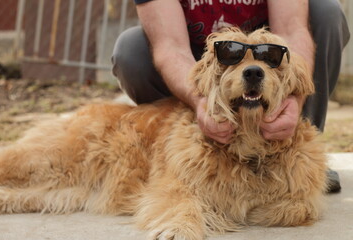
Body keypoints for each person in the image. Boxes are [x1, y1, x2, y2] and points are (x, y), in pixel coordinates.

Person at [111, 0, 350, 192]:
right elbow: (171, 46)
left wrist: (295, 99)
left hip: (267, 51)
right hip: (203, 58)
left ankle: (302, 153)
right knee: (130, 50)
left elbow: (291, 30)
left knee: (326, 11)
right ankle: (174, 154)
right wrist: (201, 101)